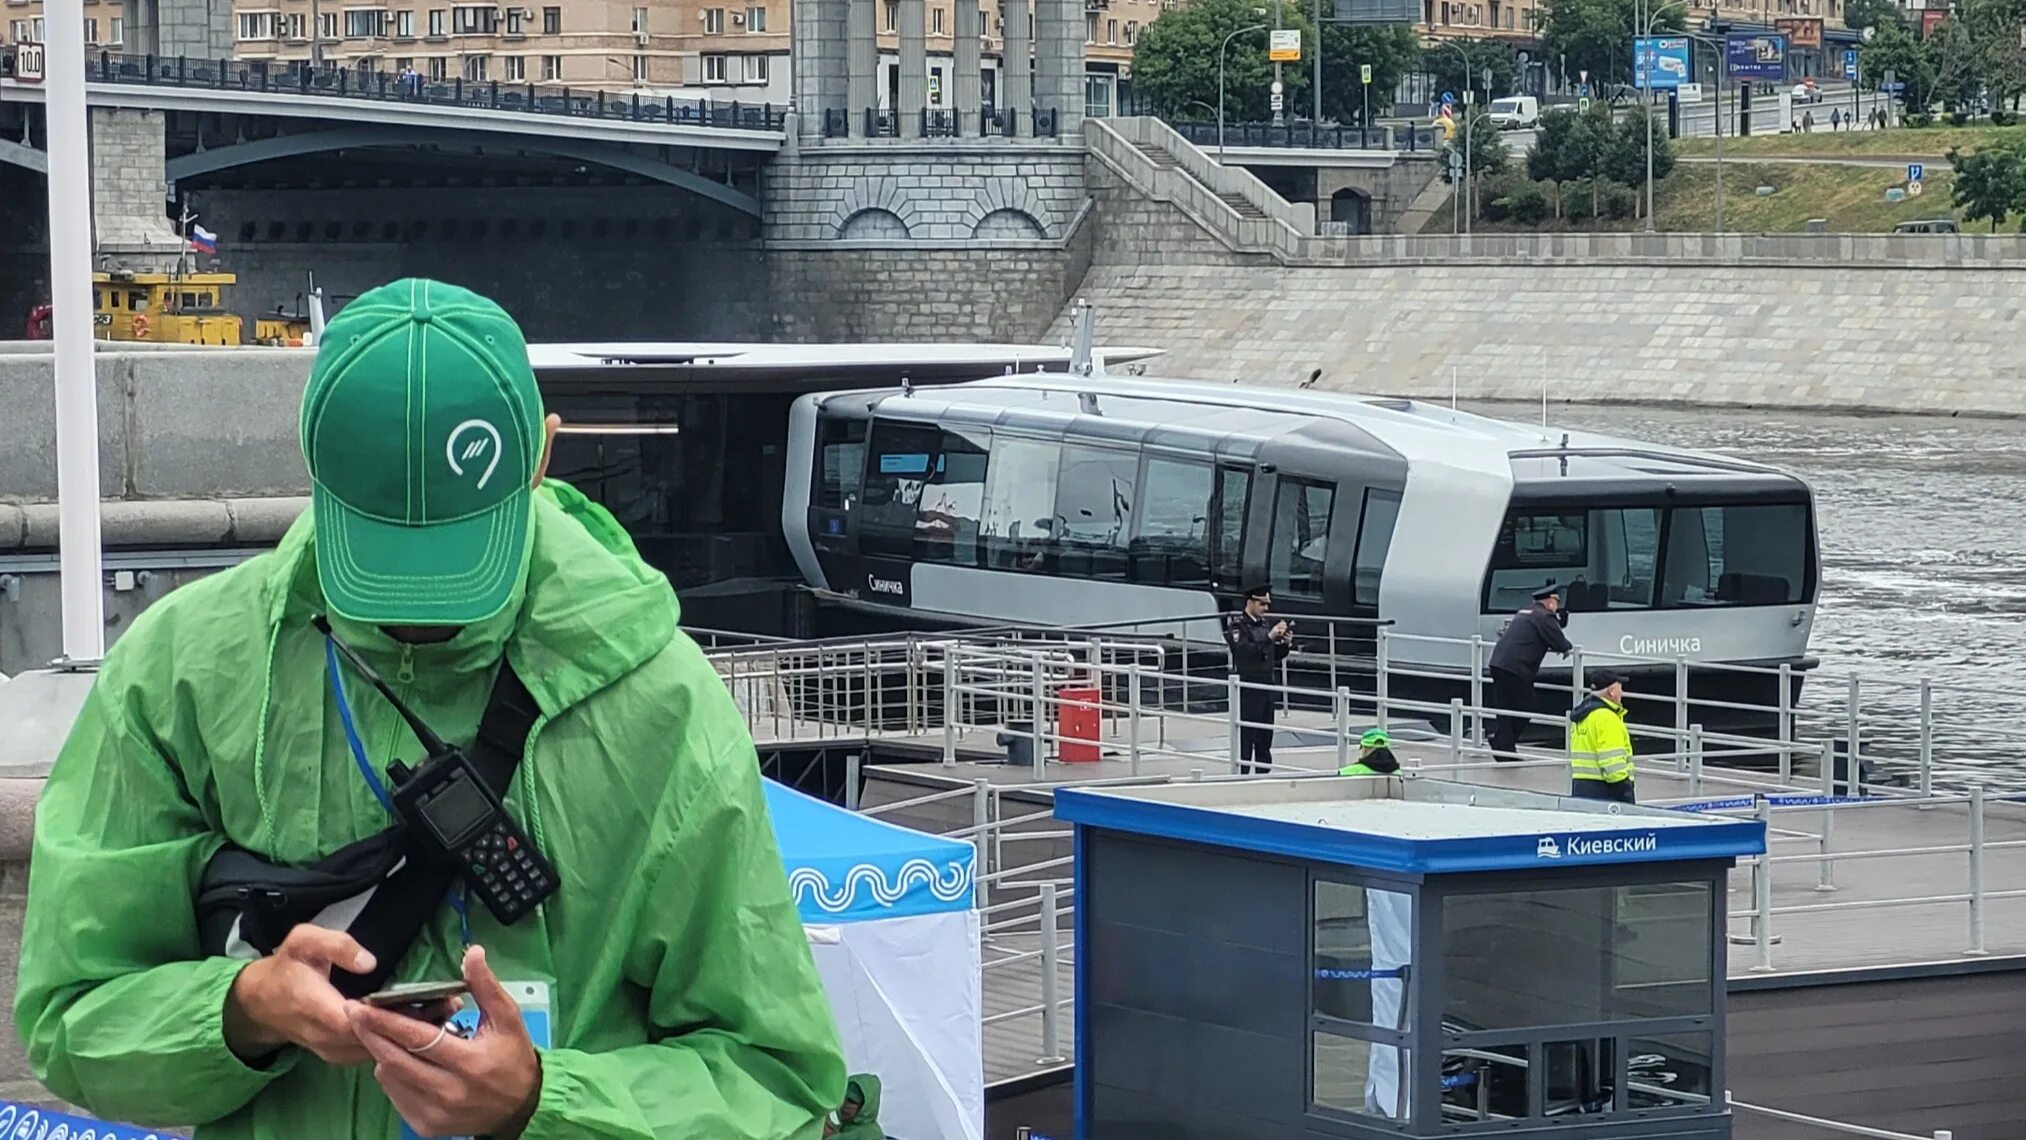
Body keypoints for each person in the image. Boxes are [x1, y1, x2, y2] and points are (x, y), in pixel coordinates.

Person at [15, 279, 846, 1138]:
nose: (421, 608)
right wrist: (243, 1009)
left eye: (455, 554)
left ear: (544, 454)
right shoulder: (179, 670)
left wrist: (540, 1102)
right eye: (383, 553)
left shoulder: (663, 700)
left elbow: (774, 1073)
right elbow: (74, 1010)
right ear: (314, 465)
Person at [1485, 584, 1572, 761]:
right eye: (1556, 602)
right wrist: (1566, 647)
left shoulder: (1526, 612)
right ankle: (1503, 742)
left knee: (1505, 708)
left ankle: (1504, 747)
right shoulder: (1545, 617)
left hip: (1499, 663)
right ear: (1549, 602)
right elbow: (1561, 643)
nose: (1556, 606)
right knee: (1526, 707)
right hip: (1517, 668)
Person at [1226, 585, 1293, 774]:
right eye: (1261, 604)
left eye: (1266, 604)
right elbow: (1245, 652)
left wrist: (1285, 643)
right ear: (1250, 603)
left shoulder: (1264, 625)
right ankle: (1242, 773)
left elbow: (1272, 655)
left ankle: (1264, 774)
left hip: (1267, 685)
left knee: (1265, 735)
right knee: (1247, 735)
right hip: (1248, 686)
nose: (1266, 608)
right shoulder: (1238, 626)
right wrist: (1270, 637)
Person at [1569, 672, 1635, 803]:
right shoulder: (1607, 718)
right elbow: (1612, 764)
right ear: (1611, 691)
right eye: (1620, 688)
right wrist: (1626, 793)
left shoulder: (1583, 715)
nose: (1622, 693)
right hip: (1606, 791)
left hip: (1580, 786)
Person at [824, 1074, 885, 1139]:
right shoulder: (848, 1127)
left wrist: (830, 1137)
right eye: (842, 1098)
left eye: (851, 1101)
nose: (843, 1104)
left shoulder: (873, 1135)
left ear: (865, 1107)